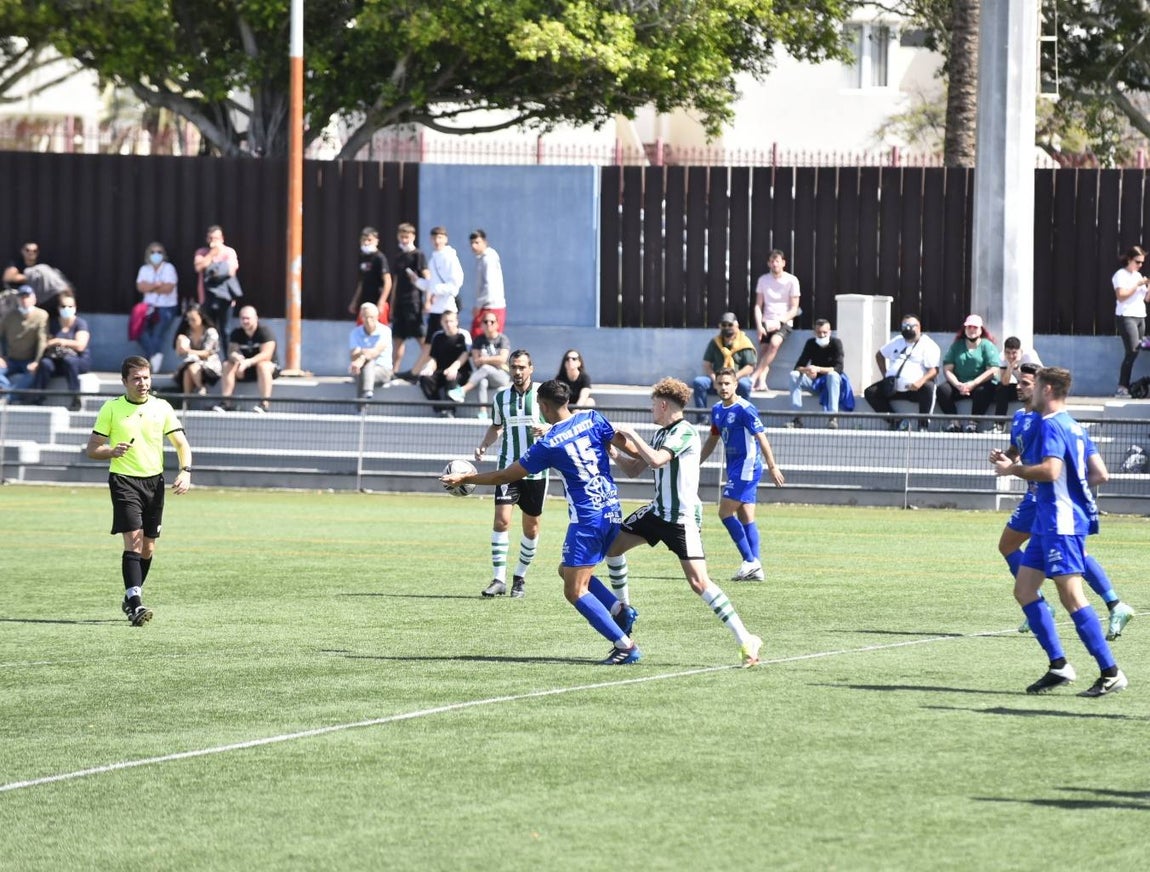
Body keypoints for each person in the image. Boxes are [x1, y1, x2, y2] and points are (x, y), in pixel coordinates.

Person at [442, 380, 640, 665]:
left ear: (544, 406)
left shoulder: (548, 444)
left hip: (587, 519)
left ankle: (625, 646)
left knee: (574, 590)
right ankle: (619, 609)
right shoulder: (593, 418)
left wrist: (466, 478)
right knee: (566, 570)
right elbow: (631, 449)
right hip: (612, 509)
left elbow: (504, 477)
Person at [607, 378, 763, 667]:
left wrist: (631, 433)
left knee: (698, 582)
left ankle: (745, 638)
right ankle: (624, 610)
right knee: (613, 548)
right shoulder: (660, 434)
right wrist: (613, 451)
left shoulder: (685, 432)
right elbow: (632, 469)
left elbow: (655, 461)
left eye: (653, 404)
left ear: (664, 405)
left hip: (681, 520)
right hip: (657, 513)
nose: (651, 409)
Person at [992, 366, 1127, 696]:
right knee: (1024, 590)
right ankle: (1059, 665)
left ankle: (1111, 672)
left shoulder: (1052, 424)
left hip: (1061, 522)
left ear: (1048, 389)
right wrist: (1072, 487)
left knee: (1072, 597)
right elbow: (1097, 473)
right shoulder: (1074, 426)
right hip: (1048, 522)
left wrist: (1014, 469)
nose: (1030, 391)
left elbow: (1051, 471)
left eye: (1034, 385)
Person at [85, 356, 192, 627]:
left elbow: (181, 443)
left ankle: (132, 594)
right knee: (133, 540)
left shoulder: (162, 407)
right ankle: (135, 604)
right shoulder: (111, 409)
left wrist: (185, 471)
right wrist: (111, 451)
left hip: (154, 484)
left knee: (148, 546)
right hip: (123, 481)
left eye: (146, 377)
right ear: (124, 382)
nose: (142, 383)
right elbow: (92, 448)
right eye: (136, 378)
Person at [473, 350, 547, 598]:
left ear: (531, 368)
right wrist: (485, 444)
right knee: (502, 520)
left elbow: (561, 423)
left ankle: (520, 578)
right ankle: (498, 578)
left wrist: (547, 428)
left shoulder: (543, 397)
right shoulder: (501, 398)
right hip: (507, 469)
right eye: (514, 367)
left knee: (531, 528)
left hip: (536, 471)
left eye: (522, 367)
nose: (517, 372)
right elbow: (496, 426)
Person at [699, 368, 785, 581]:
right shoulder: (717, 410)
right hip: (735, 468)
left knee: (724, 513)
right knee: (746, 516)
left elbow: (762, 438)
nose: (723, 387)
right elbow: (712, 439)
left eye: (727, 383)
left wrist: (773, 466)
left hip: (747, 467)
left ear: (736, 384)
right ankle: (756, 567)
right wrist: (696, 462)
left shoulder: (745, 409)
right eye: (720, 383)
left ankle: (749, 561)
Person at [863, 314, 941, 430]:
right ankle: (897, 421)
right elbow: (880, 355)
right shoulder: (898, 340)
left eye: (910, 326)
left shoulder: (928, 345)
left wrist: (919, 382)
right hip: (893, 388)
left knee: (929, 387)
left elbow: (934, 370)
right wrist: (885, 375)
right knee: (870, 392)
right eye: (904, 326)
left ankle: (923, 426)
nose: (906, 329)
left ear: (919, 327)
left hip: (914, 389)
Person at [28, 292, 91, 411]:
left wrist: (60, 341)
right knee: (45, 363)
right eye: (63, 306)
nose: (66, 309)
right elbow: (44, 342)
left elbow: (81, 346)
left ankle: (75, 398)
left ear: (75, 308)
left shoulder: (80, 323)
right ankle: (37, 397)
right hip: (56, 360)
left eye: (70, 306)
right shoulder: (52, 324)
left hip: (77, 361)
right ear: (58, 308)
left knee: (69, 361)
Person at [937, 314, 999, 432]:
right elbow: (947, 368)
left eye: (975, 327)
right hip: (960, 384)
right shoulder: (957, 346)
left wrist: (974, 383)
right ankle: (954, 423)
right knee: (942, 390)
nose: (971, 330)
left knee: (984, 391)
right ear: (964, 329)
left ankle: (973, 424)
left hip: (980, 384)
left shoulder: (987, 346)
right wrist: (957, 384)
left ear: (981, 330)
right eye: (969, 327)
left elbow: (993, 369)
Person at [750, 249, 801, 392]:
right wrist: (759, 325)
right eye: (772, 261)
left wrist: (780, 321)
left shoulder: (792, 280)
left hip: (784, 322)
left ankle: (753, 377)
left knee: (774, 343)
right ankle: (762, 382)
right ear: (768, 263)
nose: (774, 264)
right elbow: (758, 305)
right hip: (766, 320)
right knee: (764, 350)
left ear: (783, 263)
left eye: (777, 261)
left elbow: (794, 308)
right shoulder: (763, 280)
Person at [212, 305, 280, 413]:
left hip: (265, 368)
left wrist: (248, 362)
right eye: (242, 318)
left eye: (248, 318)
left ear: (256, 318)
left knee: (263, 365)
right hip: (244, 369)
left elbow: (266, 354)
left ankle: (264, 404)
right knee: (227, 365)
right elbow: (231, 351)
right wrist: (236, 357)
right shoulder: (236, 333)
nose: (245, 321)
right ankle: (225, 403)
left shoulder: (265, 332)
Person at [787, 318, 848, 429]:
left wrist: (818, 369)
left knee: (833, 375)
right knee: (794, 375)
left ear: (829, 332)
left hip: (830, 382)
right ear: (814, 332)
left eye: (825, 332)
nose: (822, 335)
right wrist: (808, 370)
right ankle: (796, 418)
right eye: (819, 332)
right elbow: (798, 366)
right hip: (814, 381)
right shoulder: (810, 343)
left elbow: (839, 368)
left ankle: (833, 418)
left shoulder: (836, 343)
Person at [692, 312, 757, 415]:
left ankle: (744, 417)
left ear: (737, 326)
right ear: (720, 326)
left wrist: (734, 378)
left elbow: (750, 367)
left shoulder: (744, 343)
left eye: (730, 325)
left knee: (745, 385)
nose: (727, 328)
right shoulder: (715, 342)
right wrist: (715, 379)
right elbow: (707, 364)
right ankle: (702, 418)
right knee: (699, 382)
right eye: (724, 325)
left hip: (737, 379)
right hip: (717, 379)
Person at [410, 310, 471, 416]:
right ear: (441, 323)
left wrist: (454, 368)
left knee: (451, 378)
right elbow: (434, 358)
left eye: (451, 321)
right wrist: (429, 368)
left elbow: (465, 354)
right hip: (441, 371)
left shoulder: (463, 335)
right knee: (425, 378)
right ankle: (439, 409)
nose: (448, 324)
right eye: (445, 321)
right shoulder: (437, 336)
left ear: (456, 321)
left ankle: (450, 410)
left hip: (460, 372)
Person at [389, 222, 430, 376]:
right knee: (398, 339)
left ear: (413, 236)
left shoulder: (418, 255)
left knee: (421, 338)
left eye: (407, 236)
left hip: (414, 303)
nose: (404, 240)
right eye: (401, 236)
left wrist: (428, 300)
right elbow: (395, 282)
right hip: (399, 304)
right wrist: (392, 304)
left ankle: (427, 368)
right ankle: (394, 371)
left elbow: (427, 278)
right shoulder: (398, 256)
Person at [135, 241, 180, 374]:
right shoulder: (144, 269)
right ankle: (155, 355)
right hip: (148, 307)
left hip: (166, 307)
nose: (156, 255)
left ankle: (152, 362)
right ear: (148, 255)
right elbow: (140, 287)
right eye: (153, 252)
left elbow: (168, 288)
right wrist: (157, 285)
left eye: (159, 252)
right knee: (139, 331)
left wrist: (150, 287)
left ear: (164, 255)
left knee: (157, 333)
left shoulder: (169, 268)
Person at [449, 313, 509, 410]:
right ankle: (483, 412)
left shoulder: (502, 339)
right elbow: (476, 361)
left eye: (492, 322)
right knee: (482, 381)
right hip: (484, 375)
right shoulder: (478, 340)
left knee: (485, 368)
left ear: (497, 324)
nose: (489, 324)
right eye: (486, 322)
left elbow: (502, 359)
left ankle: (463, 390)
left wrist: (485, 360)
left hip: (501, 375)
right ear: (481, 325)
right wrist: (493, 360)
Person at [1112, 244, 1149, 397]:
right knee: (1131, 351)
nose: (1140, 265)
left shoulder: (1138, 276)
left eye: (1142, 262)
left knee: (1136, 350)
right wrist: (1137, 285)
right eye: (1137, 262)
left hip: (1140, 316)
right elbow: (1121, 296)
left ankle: (1125, 386)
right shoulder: (1120, 275)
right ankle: (1122, 387)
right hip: (1126, 316)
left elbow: (1146, 299)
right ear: (1129, 259)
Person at [0, 285, 48, 394]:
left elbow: (42, 340)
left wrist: (36, 362)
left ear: (34, 298)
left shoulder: (41, 315)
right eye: (21, 297)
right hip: (10, 360)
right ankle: (7, 390)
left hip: (29, 360)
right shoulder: (10, 316)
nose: (24, 300)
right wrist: (1, 356)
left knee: (32, 375)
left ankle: (9, 398)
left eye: (27, 296)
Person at [193, 225, 240, 337]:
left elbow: (231, 271)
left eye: (216, 238)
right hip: (206, 297)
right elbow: (198, 267)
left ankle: (226, 354)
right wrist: (212, 254)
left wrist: (212, 269)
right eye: (211, 238)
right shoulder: (202, 252)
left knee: (225, 330)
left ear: (222, 239)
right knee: (209, 330)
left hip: (225, 297)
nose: (213, 241)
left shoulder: (229, 252)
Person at [418, 226, 464, 340]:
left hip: (447, 309)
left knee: (449, 343)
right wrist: (417, 281)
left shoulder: (450, 257)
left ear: (445, 239)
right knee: (432, 345)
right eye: (434, 238)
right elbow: (430, 284)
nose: (437, 241)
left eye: (440, 237)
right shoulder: (433, 259)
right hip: (434, 310)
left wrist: (435, 290)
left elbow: (455, 284)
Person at [172, 304, 222, 397]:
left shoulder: (211, 332)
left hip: (210, 366)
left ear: (201, 317)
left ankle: (201, 388)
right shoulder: (187, 332)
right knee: (187, 371)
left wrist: (188, 350)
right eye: (189, 319)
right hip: (192, 364)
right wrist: (180, 344)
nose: (190, 322)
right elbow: (180, 353)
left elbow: (207, 353)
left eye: (193, 319)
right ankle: (187, 400)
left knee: (192, 366)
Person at [348, 301, 393, 402]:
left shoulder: (385, 331)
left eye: (371, 317)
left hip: (383, 370)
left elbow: (375, 351)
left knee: (367, 364)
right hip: (357, 369)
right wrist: (362, 355)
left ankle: (360, 407)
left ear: (377, 317)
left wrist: (362, 356)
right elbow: (352, 355)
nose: (368, 320)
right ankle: (367, 393)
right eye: (365, 317)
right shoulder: (355, 332)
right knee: (363, 368)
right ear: (361, 317)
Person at [347, 226, 392, 321]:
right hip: (364, 302)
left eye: (369, 240)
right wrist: (355, 301)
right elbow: (362, 282)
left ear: (376, 241)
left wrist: (381, 302)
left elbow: (388, 281)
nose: (366, 243)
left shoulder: (380, 258)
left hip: (378, 301)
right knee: (362, 330)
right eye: (364, 240)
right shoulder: (362, 257)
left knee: (379, 330)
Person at [993, 336, 1043, 419]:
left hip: (1034, 386)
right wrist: (1011, 365)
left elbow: (1038, 379)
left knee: (1031, 387)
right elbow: (1004, 382)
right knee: (1001, 388)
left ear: (1020, 351)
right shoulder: (1002, 357)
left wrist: (1017, 368)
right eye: (1008, 352)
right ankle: (999, 423)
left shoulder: (1030, 355)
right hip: (1021, 386)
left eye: (1014, 353)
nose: (1011, 356)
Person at [469, 229, 506, 338]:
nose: (473, 246)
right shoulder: (483, 258)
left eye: (477, 242)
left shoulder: (488, 259)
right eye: (472, 243)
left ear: (485, 242)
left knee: (480, 338)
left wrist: (478, 306)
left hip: (490, 306)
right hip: (488, 305)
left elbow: (489, 285)